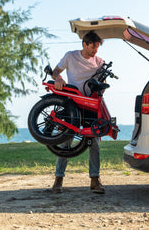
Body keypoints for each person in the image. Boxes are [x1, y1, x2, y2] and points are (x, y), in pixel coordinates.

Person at [50, 31, 105, 194]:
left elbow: (103, 81)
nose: (95, 51)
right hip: (72, 104)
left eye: (97, 48)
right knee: (65, 141)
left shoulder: (99, 61)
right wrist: (58, 79)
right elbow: (55, 71)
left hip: (90, 104)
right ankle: (58, 180)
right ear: (84, 44)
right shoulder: (70, 56)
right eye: (93, 48)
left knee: (94, 142)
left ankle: (95, 181)